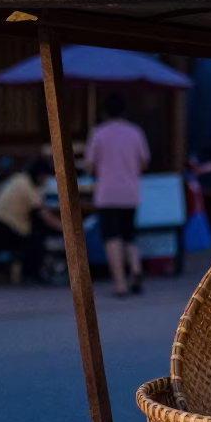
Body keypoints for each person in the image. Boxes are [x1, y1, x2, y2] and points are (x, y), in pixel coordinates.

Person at [85, 92, 150, 296]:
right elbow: (144, 161)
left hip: (107, 194)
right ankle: (136, 271)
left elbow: (89, 165)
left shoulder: (98, 133)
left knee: (112, 237)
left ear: (104, 111)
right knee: (129, 235)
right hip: (130, 193)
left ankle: (120, 283)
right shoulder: (135, 132)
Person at [0, 156, 62, 281]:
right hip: (7, 225)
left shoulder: (18, 179)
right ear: (39, 175)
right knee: (36, 240)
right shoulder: (28, 186)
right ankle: (32, 275)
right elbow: (43, 214)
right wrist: (64, 229)